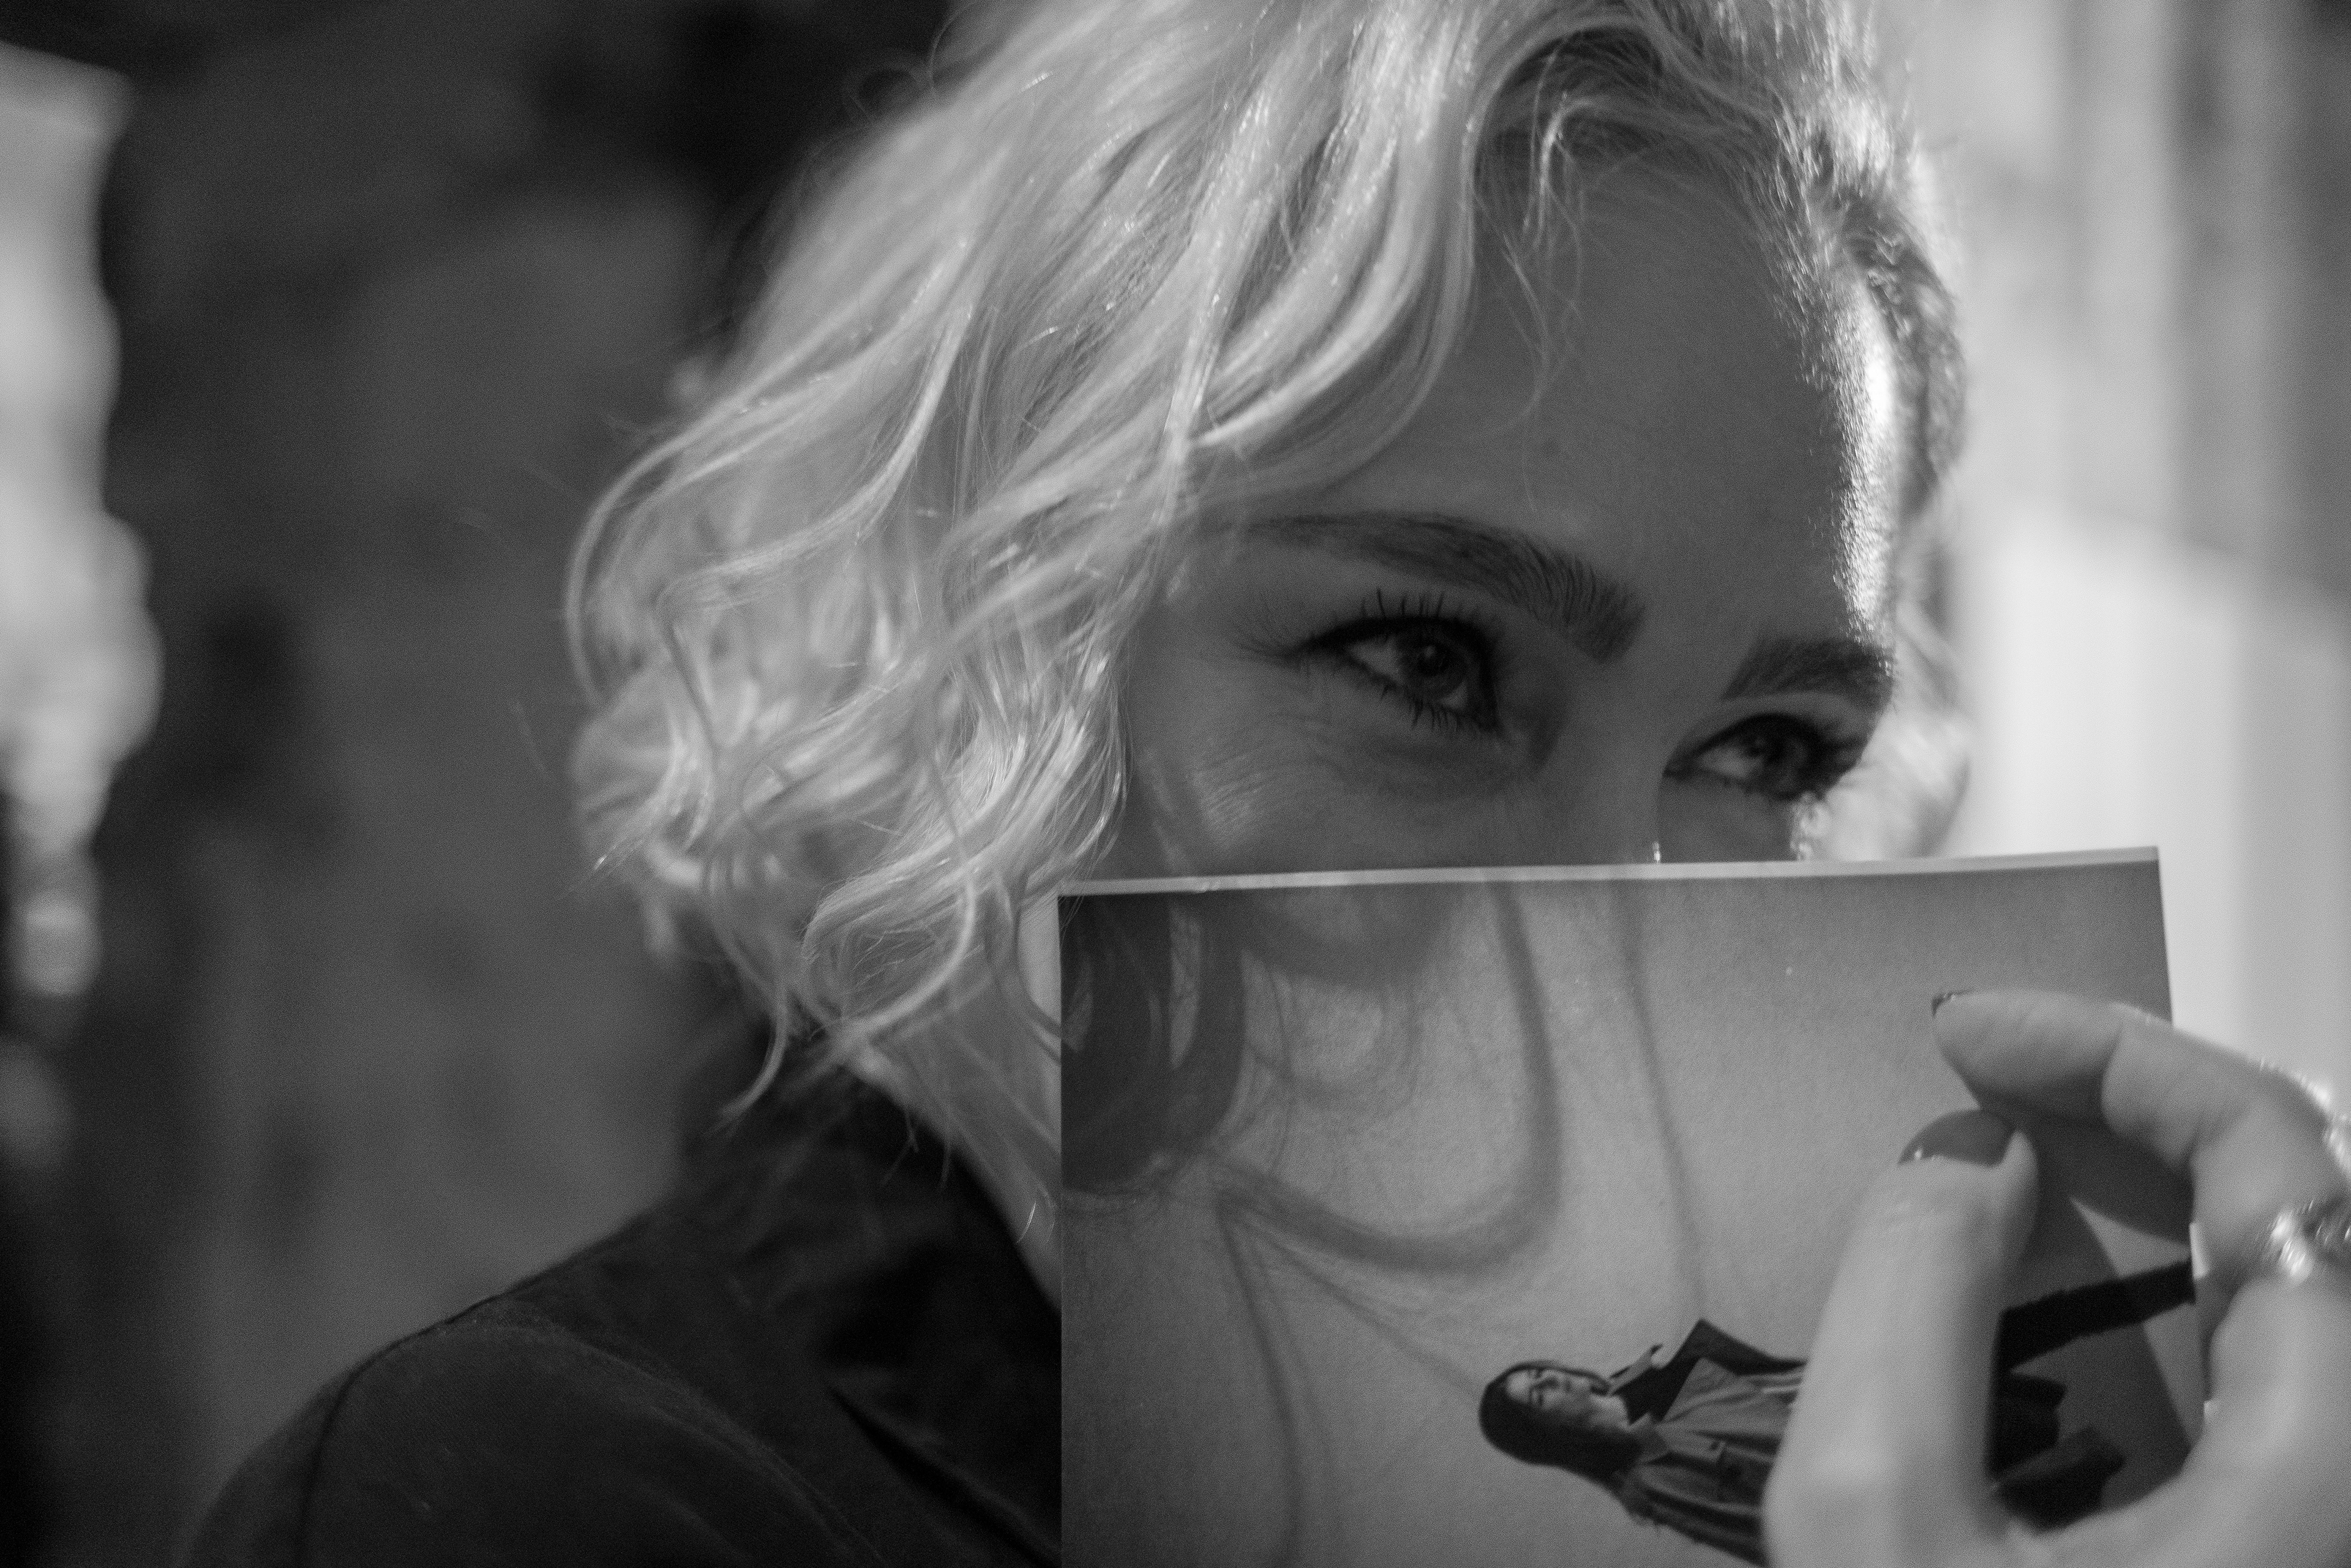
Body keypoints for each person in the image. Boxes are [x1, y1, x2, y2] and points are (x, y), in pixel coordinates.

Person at [185, 0, 2351, 1564]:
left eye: (1768, 749)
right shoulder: (542, 1496)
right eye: (1428, 661)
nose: (1627, 909)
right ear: (978, 624)